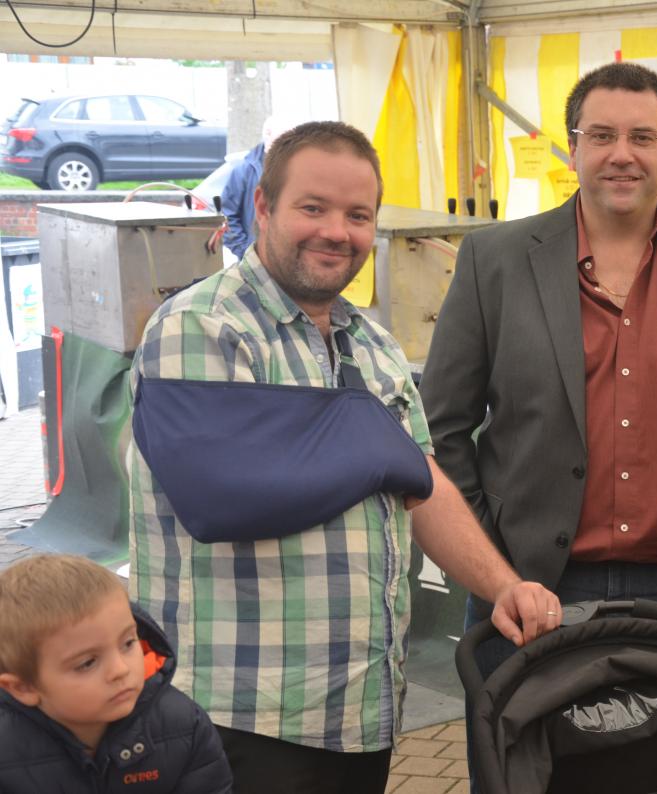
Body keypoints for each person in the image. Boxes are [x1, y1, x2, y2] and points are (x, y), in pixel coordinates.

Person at [128, 121, 560, 793]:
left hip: (359, 712)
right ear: (263, 206)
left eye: (358, 215)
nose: (337, 231)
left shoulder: (373, 346)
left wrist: (501, 586)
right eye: (313, 208)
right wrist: (371, 447)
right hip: (237, 717)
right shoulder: (203, 326)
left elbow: (422, 485)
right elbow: (220, 498)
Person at [420, 61, 657, 652]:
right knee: (517, 719)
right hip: (529, 588)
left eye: (642, 137)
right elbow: (438, 426)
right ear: (573, 149)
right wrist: (490, 559)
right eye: (601, 135)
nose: (622, 154)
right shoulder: (493, 260)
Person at [0, 554, 233, 793]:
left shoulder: (183, 725)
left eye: (128, 643)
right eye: (88, 663)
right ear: (24, 687)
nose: (121, 669)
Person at [220, 115, 284, 261]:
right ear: (268, 135)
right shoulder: (243, 170)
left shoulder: (295, 169)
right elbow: (227, 216)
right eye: (284, 136)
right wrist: (246, 252)